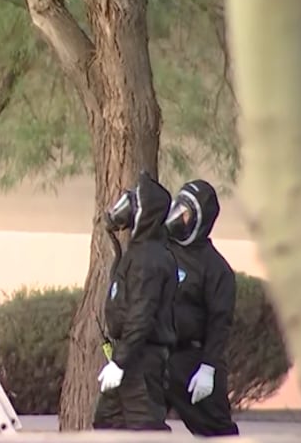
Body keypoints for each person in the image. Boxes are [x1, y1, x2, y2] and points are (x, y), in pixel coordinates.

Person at [93, 170, 178, 431]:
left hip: (141, 361)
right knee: (108, 424)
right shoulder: (139, 252)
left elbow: (141, 315)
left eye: (134, 203)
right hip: (129, 356)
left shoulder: (148, 259)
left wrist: (120, 362)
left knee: (145, 429)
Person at [163, 179, 241, 437]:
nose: (176, 217)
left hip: (193, 363)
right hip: (157, 357)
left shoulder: (216, 269)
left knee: (216, 431)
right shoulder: (161, 251)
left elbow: (220, 324)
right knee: (133, 426)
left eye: (184, 213)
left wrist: (208, 368)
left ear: (199, 219)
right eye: (176, 207)